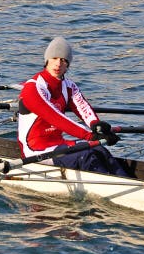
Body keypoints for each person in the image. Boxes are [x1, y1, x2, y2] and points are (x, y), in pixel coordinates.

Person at [17, 36, 131, 177]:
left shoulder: (69, 86)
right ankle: (118, 188)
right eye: (54, 58)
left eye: (64, 60)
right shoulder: (33, 88)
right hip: (36, 151)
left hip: (59, 143)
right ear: (46, 60)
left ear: (68, 65)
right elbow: (56, 118)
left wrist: (97, 126)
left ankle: (126, 180)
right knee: (86, 155)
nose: (58, 63)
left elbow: (84, 108)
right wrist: (90, 135)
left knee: (99, 150)